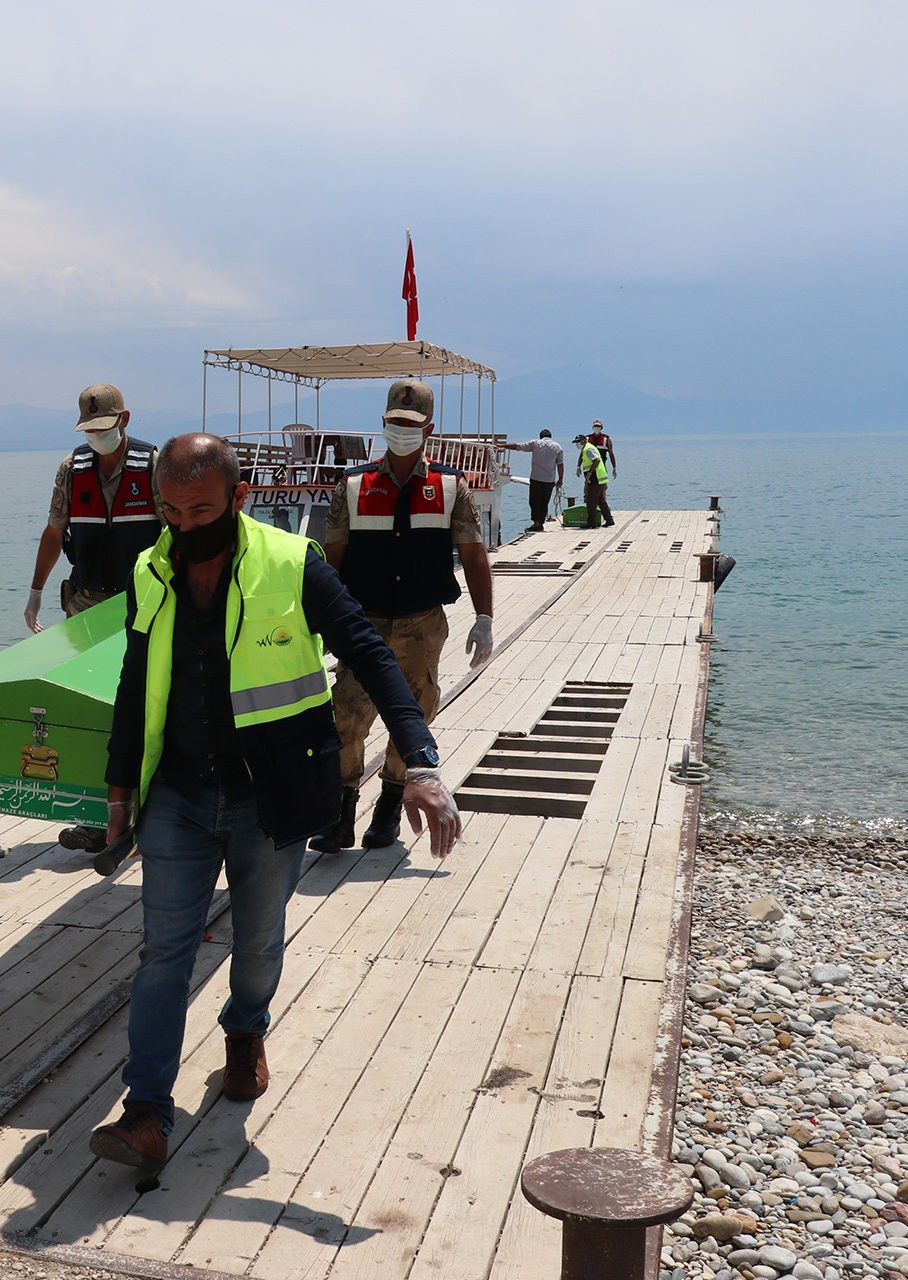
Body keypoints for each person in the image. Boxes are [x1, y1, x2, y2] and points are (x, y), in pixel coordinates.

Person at [86, 434, 462, 1175]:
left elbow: (371, 653)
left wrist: (419, 759)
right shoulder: (150, 568)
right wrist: (120, 792)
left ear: (239, 497)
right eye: (171, 510)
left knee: (258, 943)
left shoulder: (294, 566)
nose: (185, 526)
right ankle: (145, 1113)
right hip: (180, 795)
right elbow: (135, 684)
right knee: (163, 951)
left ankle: (245, 1030)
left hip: (273, 798)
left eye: (201, 510)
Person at [315, 379, 495, 854]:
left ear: (428, 429)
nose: (402, 430)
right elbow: (331, 560)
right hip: (362, 623)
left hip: (421, 623)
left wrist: (485, 617)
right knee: (346, 716)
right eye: (395, 422)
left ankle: (390, 809)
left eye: (411, 424)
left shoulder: (451, 486)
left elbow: (474, 554)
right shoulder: (352, 487)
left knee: (413, 715)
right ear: (383, 423)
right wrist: (321, 623)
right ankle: (340, 812)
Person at [25, 382, 162, 852]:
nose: (96, 436)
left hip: (144, 605)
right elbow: (54, 529)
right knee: (89, 707)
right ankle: (95, 813)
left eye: (104, 427)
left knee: (144, 706)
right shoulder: (72, 468)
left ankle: (149, 807)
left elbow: (176, 535)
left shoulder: (153, 465)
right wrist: (35, 592)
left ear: (124, 420)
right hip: (85, 602)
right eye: (89, 429)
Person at [503, 428, 566, 531]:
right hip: (549, 479)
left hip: (536, 477)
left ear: (540, 436)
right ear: (550, 437)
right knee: (544, 501)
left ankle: (536, 523)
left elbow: (518, 446)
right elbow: (560, 465)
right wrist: (560, 479)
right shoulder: (558, 447)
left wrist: (503, 446)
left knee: (534, 501)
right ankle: (540, 523)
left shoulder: (535, 443)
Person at [573, 432, 613, 528]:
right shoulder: (586, 448)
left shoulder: (588, 449)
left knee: (590, 501)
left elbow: (597, 460)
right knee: (601, 500)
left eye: (578, 441)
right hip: (600, 479)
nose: (577, 444)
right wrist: (579, 467)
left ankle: (591, 523)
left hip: (595, 479)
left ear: (584, 440)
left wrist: (589, 473)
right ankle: (609, 520)